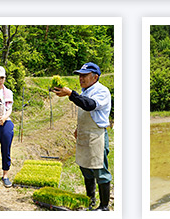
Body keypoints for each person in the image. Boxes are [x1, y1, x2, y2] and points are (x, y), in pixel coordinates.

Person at [53, 62, 112, 211]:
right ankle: (90, 199)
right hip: (84, 133)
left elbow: (89, 105)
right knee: (85, 167)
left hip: (96, 134)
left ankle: (104, 206)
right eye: (80, 75)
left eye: (84, 75)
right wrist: (79, 128)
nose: (81, 78)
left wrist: (71, 94)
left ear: (95, 77)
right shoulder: (85, 90)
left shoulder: (101, 91)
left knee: (100, 170)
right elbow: (83, 108)